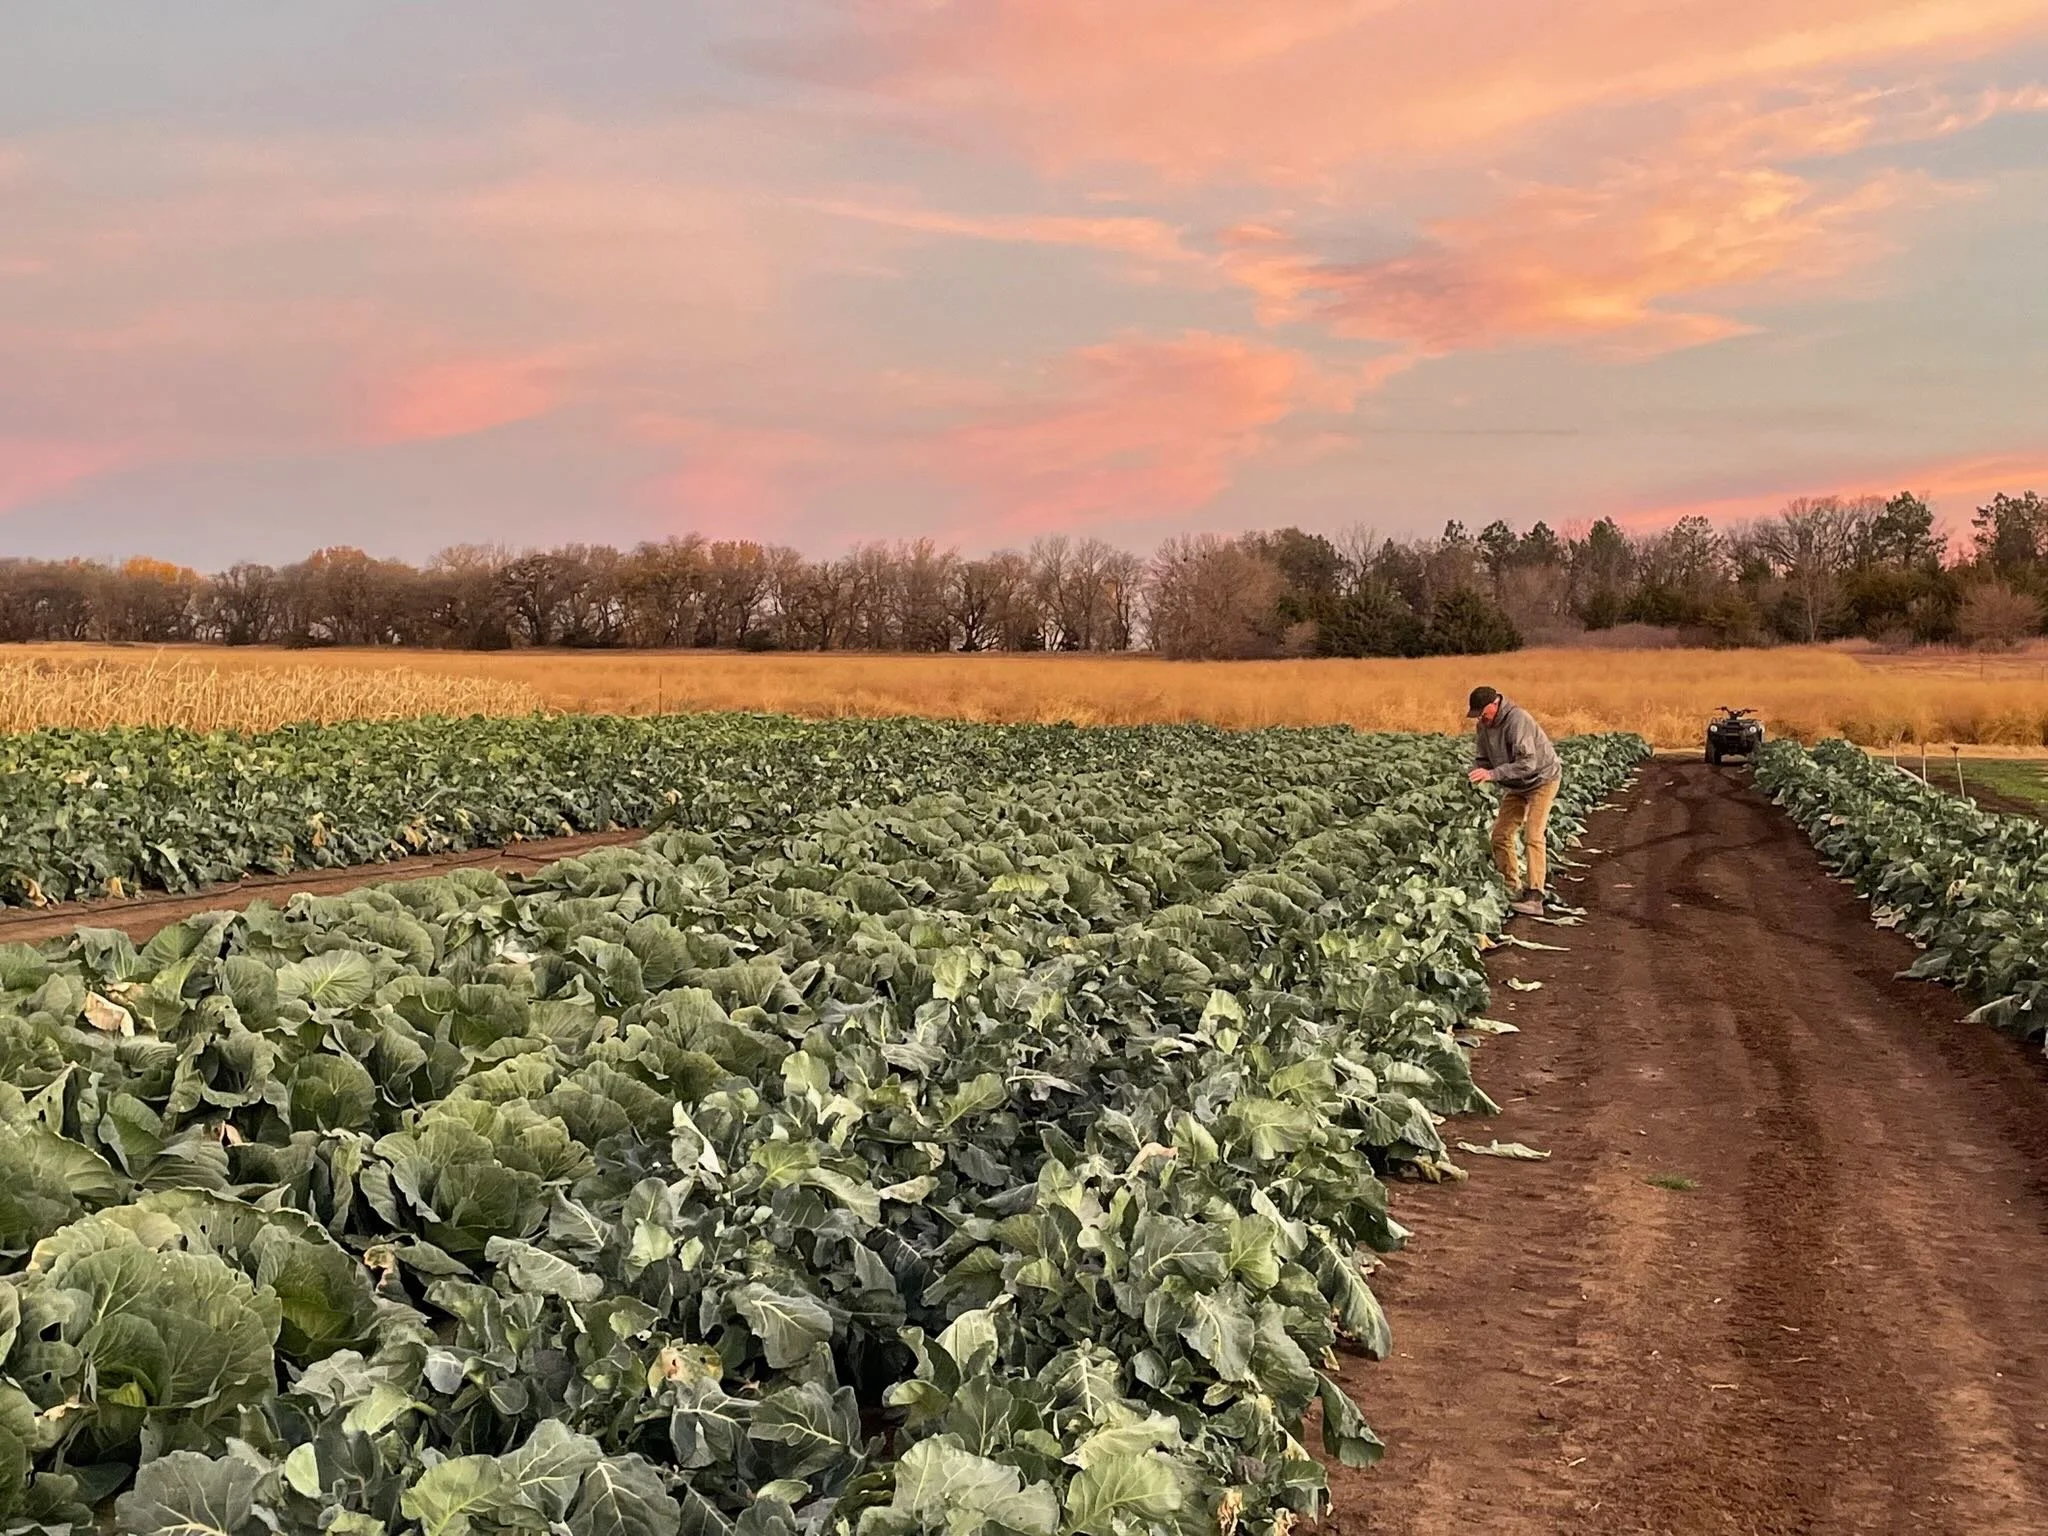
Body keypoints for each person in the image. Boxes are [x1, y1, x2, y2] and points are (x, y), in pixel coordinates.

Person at [1465, 685, 1561, 917]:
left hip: (1542, 780)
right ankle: (1511, 886)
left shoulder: (1517, 720)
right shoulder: (1483, 726)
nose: (1481, 718)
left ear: (1495, 704)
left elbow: (1527, 763)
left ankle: (1535, 895)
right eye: (1477, 714)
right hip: (1516, 785)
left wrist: (1493, 774)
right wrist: (1477, 772)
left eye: (1483, 713)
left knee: (1534, 835)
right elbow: (1483, 759)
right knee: (1500, 834)